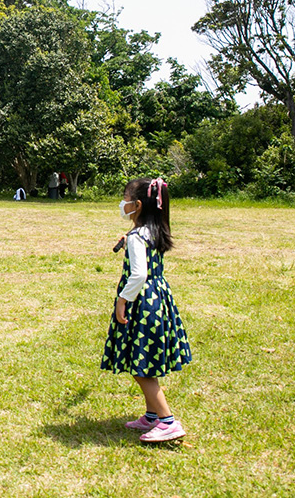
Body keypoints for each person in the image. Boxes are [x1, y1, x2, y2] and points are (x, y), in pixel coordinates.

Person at [101, 177, 192, 443]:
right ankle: (152, 416)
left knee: (142, 367)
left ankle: (167, 421)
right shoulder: (152, 231)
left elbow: (138, 275)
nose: (123, 204)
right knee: (146, 359)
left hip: (142, 302)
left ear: (138, 205)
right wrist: (130, 237)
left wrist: (122, 299)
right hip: (158, 299)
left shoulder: (137, 237)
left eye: (126, 199)